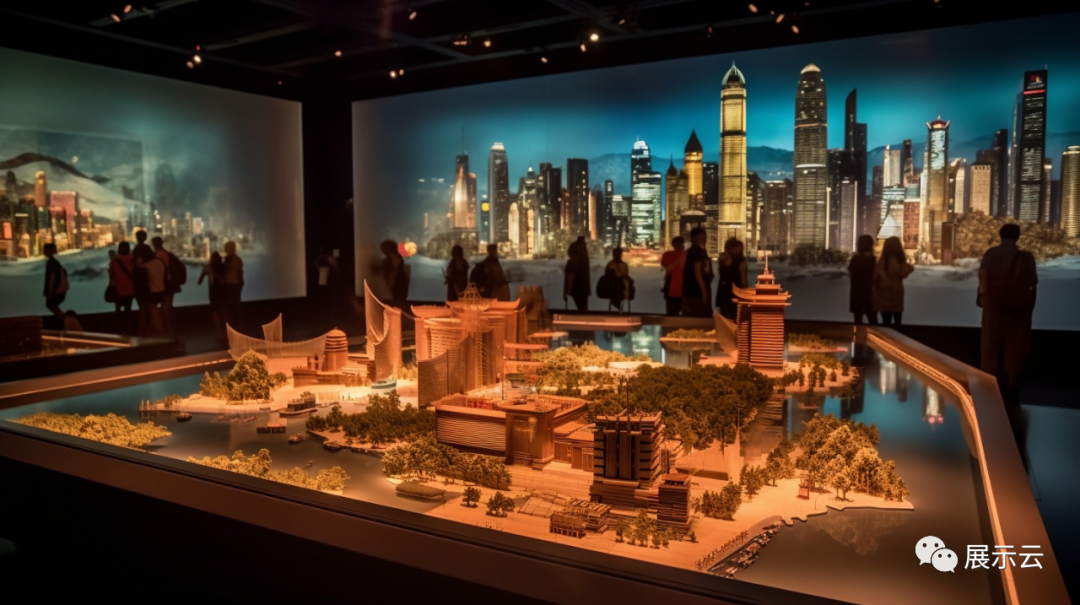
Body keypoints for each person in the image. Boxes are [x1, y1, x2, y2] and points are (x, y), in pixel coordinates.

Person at [978, 223, 1038, 406]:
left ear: (1000, 235)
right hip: (1018, 310)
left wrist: (985, 303)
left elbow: (983, 284)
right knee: (1014, 345)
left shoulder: (990, 254)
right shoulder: (1026, 258)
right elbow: (1032, 284)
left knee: (990, 344)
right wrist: (1029, 309)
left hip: (993, 307)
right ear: (1018, 236)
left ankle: (988, 380)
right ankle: (1011, 382)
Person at [872, 236, 914, 327]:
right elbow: (903, 274)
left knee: (886, 322)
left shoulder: (882, 260)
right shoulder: (900, 260)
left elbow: (877, 274)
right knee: (897, 322)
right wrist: (910, 267)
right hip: (897, 293)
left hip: (883, 294)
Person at [152, 236, 184, 337]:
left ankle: (168, 329)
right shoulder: (167, 254)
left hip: (165, 284)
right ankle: (171, 328)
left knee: (165, 308)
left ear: (154, 244)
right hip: (171, 284)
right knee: (167, 307)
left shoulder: (159, 255)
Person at [681, 228, 713, 318]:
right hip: (695, 292)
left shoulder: (702, 250)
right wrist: (704, 292)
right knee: (697, 317)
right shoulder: (695, 251)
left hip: (699, 291)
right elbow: (697, 272)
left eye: (704, 236)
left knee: (701, 315)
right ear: (695, 238)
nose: (704, 238)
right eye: (701, 236)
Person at [136, 244, 167, 336]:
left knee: (155, 315)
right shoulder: (160, 261)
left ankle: (160, 335)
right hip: (162, 290)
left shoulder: (144, 266)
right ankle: (149, 332)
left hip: (151, 293)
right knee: (155, 315)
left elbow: (141, 282)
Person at [848, 234, 878, 326]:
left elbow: (852, 274)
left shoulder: (855, 259)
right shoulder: (873, 260)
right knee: (873, 321)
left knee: (857, 321)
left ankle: (858, 335)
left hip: (857, 294)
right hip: (870, 294)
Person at [716, 237, 748, 320]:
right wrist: (746, 294)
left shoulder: (723, 259)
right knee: (736, 317)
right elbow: (743, 281)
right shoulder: (741, 262)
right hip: (736, 292)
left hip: (724, 292)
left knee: (725, 318)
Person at [198, 252, 227, 343]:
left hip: (213, 293)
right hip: (223, 292)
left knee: (215, 312)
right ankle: (227, 333)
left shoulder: (208, 267)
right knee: (224, 311)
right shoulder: (224, 267)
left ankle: (220, 334)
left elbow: (199, 281)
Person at [109, 241, 136, 335]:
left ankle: (121, 331)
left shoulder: (114, 260)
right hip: (131, 289)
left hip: (119, 290)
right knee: (128, 310)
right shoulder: (133, 259)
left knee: (118, 312)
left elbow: (111, 275)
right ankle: (130, 330)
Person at [42, 243, 69, 325]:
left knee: (51, 306)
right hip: (58, 290)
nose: (44, 252)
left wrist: (50, 292)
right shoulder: (55, 262)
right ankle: (66, 321)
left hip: (55, 291)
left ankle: (67, 321)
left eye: (45, 250)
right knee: (53, 306)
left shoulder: (51, 263)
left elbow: (52, 277)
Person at [660, 236, 687, 316]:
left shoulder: (667, 255)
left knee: (671, 315)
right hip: (685, 290)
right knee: (687, 316)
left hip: (671, 290)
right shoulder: (687, 255)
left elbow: (665, 265)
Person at [222, 241, 245, 330]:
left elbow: (226, 272)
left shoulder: (228, 260)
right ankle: (239, 323)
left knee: (231, 304)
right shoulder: (238, 259)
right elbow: (240, 273)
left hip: (231, 284)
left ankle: (234, 323)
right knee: (236, 304)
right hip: (236, 284)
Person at [563, 238, 591, 312]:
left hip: (576, 289)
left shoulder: (572, 263)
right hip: (580, 288)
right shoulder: (583, 262)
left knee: (581, 308)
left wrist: (565, 293)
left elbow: (568, 278)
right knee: (583, 309)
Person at [602, 247, 632, 312]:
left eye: (619, 254)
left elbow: (626, 276)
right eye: (616, 254)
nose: (618, 256)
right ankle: (617, 301)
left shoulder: (624, 265)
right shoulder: (610, 264)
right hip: (612, 285)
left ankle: (617, 301)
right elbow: (607, 276)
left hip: (621, 285)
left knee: (622, 284)